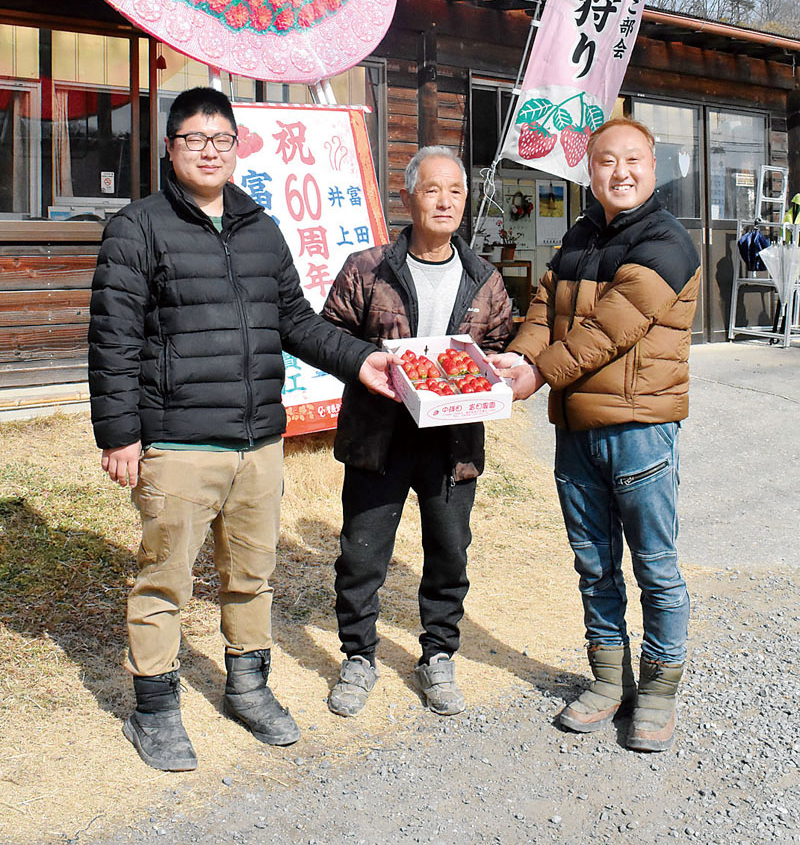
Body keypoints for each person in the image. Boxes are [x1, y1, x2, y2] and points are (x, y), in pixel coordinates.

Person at [89, 86, 398, 773]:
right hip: (177, 442)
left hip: (258, 443)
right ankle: (155, 710)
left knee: (252, 577)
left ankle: (249, 687)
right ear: (170, 148)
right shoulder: (136, 227)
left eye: (220, 139)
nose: (207, 150)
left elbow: (296, 321)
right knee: (164, 580)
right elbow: (111, 339)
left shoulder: (260, 228)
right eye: (193, 138)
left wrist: (364, 361)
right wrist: (118, 435)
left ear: (237, 149)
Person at [494, 119, 700, 752]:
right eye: (607, 161)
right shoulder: (580, 236)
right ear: (590, 169)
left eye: (633, 160)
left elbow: (611, 331)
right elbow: (543, 310)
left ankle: (659, 692)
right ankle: (609, 682)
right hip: (576, 429)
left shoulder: (669, 242)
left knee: (656, 568)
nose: (621, 172)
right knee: (594, 565)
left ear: (653, 163)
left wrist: (536, 375)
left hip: (639, 430)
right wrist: (516, 357)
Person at [320, 146, 513, 717]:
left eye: (456, 190)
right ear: (408, 197)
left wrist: (495, 369)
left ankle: (438, 654)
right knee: (362, 552)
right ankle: (358, 656)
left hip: (453, 440)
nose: (446, 201)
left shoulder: (485, 278)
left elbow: (497, 347)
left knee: (450, 550)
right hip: (379, 434)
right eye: (433, 190)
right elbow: (330, 335)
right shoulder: (368, 268)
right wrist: (376, 363)